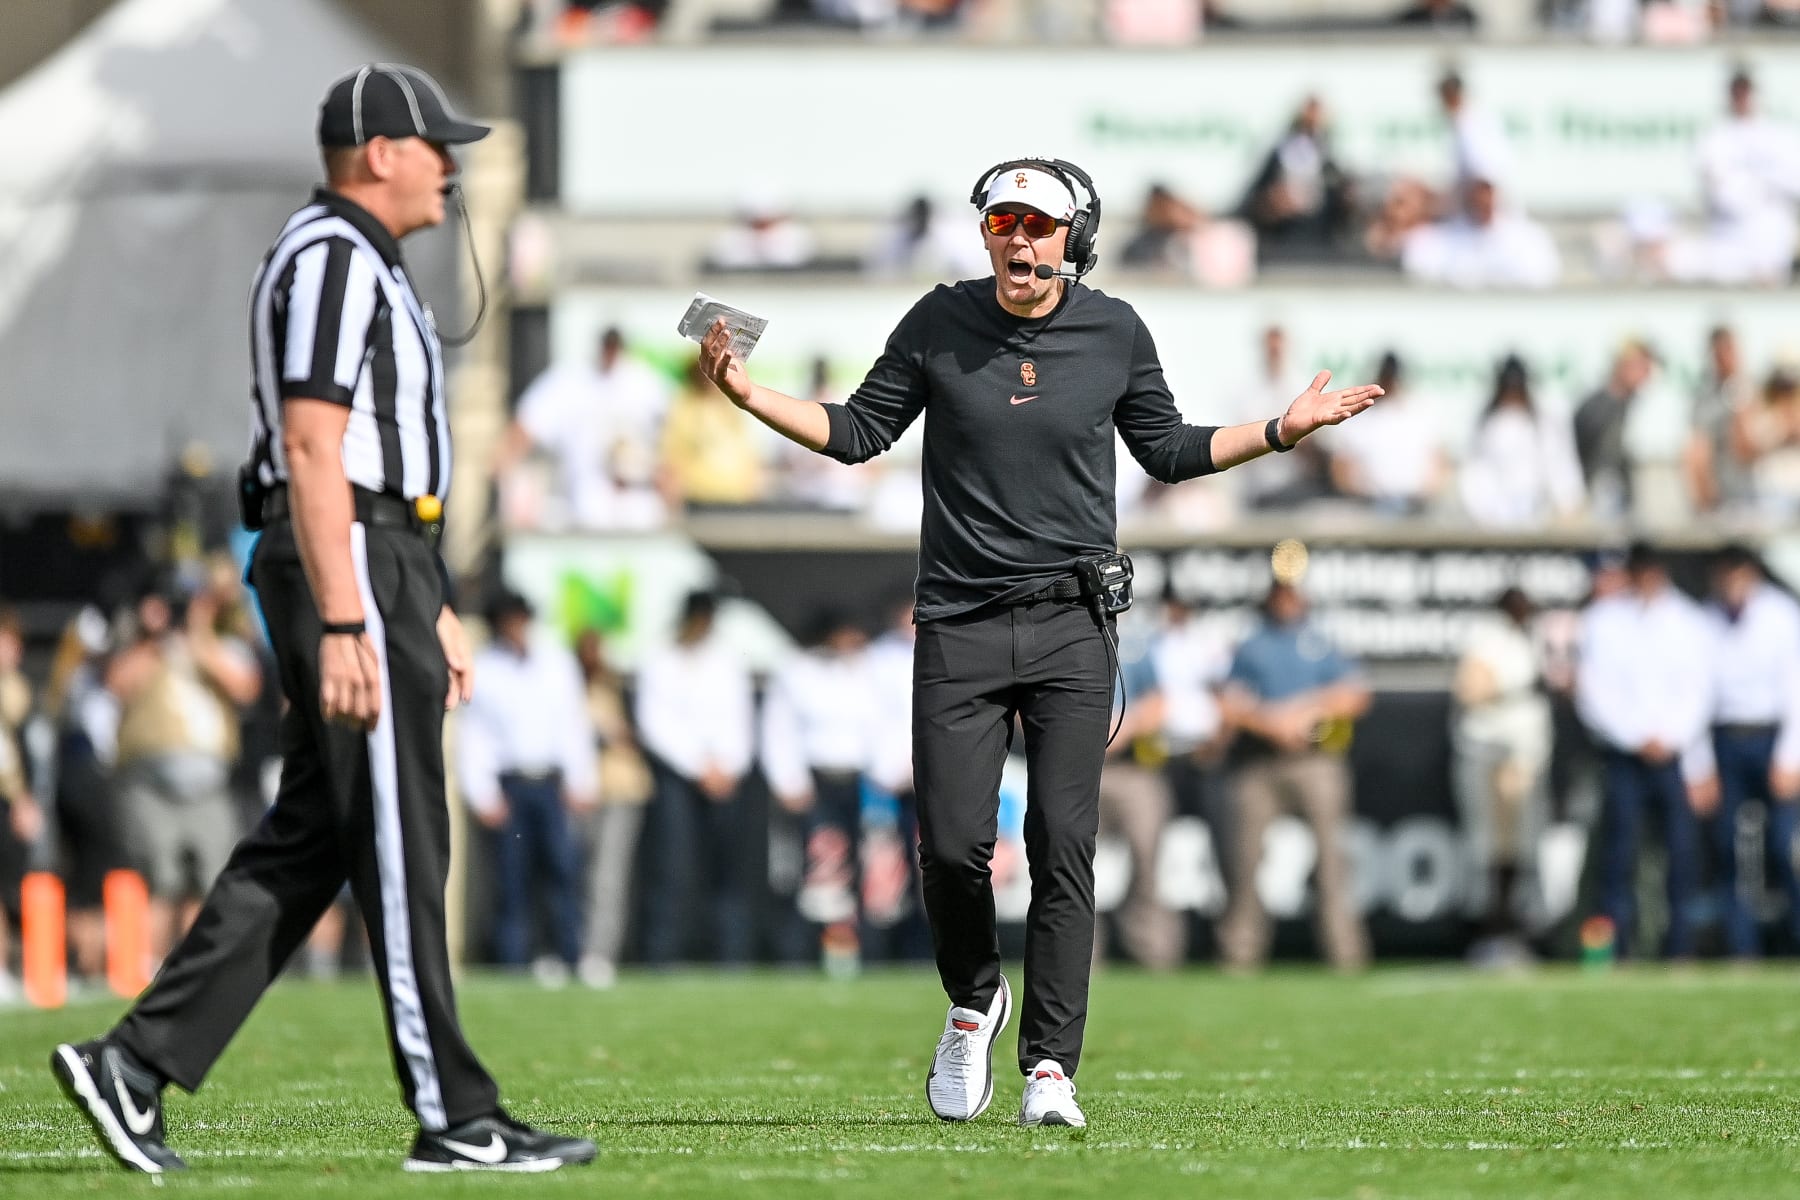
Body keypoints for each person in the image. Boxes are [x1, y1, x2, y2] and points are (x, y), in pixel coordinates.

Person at [695, 156, 1380, 1129]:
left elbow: (1170, 449)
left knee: (1063, 843)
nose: (1019, 240)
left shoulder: (1114, 330)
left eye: (1040, 225)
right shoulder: (940, 321)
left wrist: (1280, 429)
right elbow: (857, 432)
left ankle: (1051, 1067)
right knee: (952, 850)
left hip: (1070, 626)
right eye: (1004, 222)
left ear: (1076, 238)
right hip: (961, 625)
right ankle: (974, 998)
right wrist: (748, 396)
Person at [49, 64, 595, 1174]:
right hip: (348, 553)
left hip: (379, 554)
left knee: (315, 836)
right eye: (435, 145)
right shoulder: (332, 258)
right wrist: (353, 616)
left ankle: (134, 1064)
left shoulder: (358, 260)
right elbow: (311, 446)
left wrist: (424, 597)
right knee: (402, 835)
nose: (452, 166)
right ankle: (454, 1112)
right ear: (378, 151)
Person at [1217, 580, 1372, 972]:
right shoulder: (1252, 643)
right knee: (1245, 857)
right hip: (1259, 760)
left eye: (1292, 594)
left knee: (1332, 858)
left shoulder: (1321, 640)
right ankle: (1240, 954)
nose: (1286, 602)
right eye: (1280, 594)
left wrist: (1305, 708)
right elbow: (1228, 701)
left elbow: (1356, 694)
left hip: (1316, 758)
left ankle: (1344, 952)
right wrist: (1268, 721)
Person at [107, 580, 262, 965]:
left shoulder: (223, 646)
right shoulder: (145, 650)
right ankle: (146, 965)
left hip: (209, 784)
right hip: (150, 785)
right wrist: (155, 638)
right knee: (160, 881)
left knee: (210, 880)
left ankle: (200, 967)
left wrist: (199, 629)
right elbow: (118, 683)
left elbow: (244, 687)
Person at [1574, 542, 1712, 960]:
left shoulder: (1689, 620)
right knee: (1618, 853)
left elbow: (1699, 692)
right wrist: (1636, 736)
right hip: (1625, 755)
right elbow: (1595, 692)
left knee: (1680, 852)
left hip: (1674, 755)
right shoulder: (1603, 620)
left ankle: (1680, 947)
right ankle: (1612, 950)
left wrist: (1674, 741)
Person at [456, 590, 597, 984]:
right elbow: (476, 737)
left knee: (562, 871)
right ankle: (513, 963)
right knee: (511, 878)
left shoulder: (555, 664)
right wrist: (482, 793)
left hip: (550, 784)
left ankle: (568, 955)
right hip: (511, 786)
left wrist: (580, 779)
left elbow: (572, 725)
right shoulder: (486, 668)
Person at [1688, 546, 1800, 957]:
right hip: (1725, 739)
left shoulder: (1782, 616)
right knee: (1728, 849)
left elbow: (1795, 689)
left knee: (1784, 846)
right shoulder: (1705, 620)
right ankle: (1742, 948)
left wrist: (1791, 757)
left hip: (1772, 736)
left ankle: (1793, 943)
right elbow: (1697, 695)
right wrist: (1699, 763)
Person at [633, 589, 756, 964]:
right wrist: (698, 766)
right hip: (679, 779)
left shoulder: (726, 661)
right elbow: (656, 724)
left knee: (729, 872)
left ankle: (730, 955)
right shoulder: (660, 661)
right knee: (673, 867)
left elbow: (739, 719)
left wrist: (728, 766)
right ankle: (663, 955)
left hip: (725, 777)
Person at [1451, 588, 1553, 966]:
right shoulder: (1488, 636)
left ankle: (1514, 930)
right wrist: (1515, 687)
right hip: (1492, 756)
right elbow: (1471, 690)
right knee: (1493, 847)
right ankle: (1492, 931)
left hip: (1524, 759)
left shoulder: (1531, 637)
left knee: (1521, 846)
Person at [496, 326, 670, 530]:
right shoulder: (569, 381)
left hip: (639, 520)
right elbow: (523, 430)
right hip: (582, 516)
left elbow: (671, 447)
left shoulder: (646, 385)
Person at [573, 628, 653, 989]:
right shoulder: (566, 685)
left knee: (608, 878)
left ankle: (599, 952)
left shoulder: (619, 688)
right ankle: (568, 948)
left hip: (619, 789)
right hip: (578, 791)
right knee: (573, 875)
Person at [1459, 355, 1586, 527]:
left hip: (1538, 521)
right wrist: (1483, 514)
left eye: (1517, 388)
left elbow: (1559, 466)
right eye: (1508, 388)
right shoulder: (1487, 423)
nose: (1513, 394)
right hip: (1492, 523)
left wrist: (1567, 501)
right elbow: (1474, 474)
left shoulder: (1544, 422)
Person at [1238, 96, 1353, 263]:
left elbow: (1340, 210)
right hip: (1281, 246)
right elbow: (1253, 204)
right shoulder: (1278, 156)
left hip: (1321, 248)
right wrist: (1272, 203)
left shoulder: (1328, 159)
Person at [1401, 177, 1560, 289]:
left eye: (1487, 197)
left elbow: (1541, 275)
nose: (1483, 204)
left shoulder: (1529, 238)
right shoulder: (1439, 237)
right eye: (1476, 199)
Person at [1572, 339, 1657, 521]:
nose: (1647, 374)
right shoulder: (1598, 407)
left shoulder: (1630, 405)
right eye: (1641, 366)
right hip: (1603, 505)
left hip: (1626, 507)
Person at [1684, 326, 1756, 517]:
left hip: (1747, 495)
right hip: (1719, 501)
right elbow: (1696, 452)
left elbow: (1750, 447)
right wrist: (1706, 503)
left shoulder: (1748, 388)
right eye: (1723, 351)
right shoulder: (1704, 396)